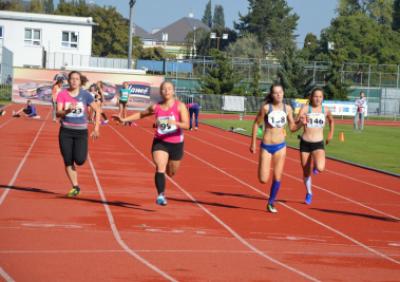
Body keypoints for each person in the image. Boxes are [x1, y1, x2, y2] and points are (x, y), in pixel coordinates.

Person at [112, 81, 189, 206]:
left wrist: (174, 123)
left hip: (176, 143)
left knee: (171, 172)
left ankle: (164, 184)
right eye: (164, 89)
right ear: (160, 92)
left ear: (173, 91)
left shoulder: (180, 106)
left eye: (169, 89)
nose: (166, 91)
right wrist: (124, 119)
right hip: (160, 142)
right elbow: (141, 114)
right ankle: (160, 195)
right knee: (160, 167)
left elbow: (187, 125)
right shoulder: (156, 107)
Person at [250, 83, 302, 213]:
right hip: (267, 146)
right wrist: (253, 143)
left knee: (278, 176)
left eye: (280, 92)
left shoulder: (288, 109)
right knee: (263, 179)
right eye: (275, 92)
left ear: (283, 93)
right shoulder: (266, 108)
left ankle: (271, 202)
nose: (278, 94)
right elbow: (256, 124)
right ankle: (261, 167)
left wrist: (301, 123)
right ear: (272, 95)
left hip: (280, 146)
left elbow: (292, 128)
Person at [56, 71, 101, 197]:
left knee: (80, 160)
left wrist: (96, 128)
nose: (74, 81)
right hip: (66, 131)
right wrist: (67, 110)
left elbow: (97, 109)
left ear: (80, 81)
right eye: (72, 79)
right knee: (67, 160)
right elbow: (58, 113)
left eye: (77, 79)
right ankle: (75, 186)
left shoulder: (85, 95)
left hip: (81, 132)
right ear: (68, 81)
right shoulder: (62, 94)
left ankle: (76, 176)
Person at [296, 88, 334, 205]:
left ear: (323, 98)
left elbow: (332, 121)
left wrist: (330, 134)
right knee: (306, 171)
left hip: (318, 143)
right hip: (305, 143)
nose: (318, 99)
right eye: (316, 96)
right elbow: (296, 123)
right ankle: (309, 192)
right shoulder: (306, 108)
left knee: (321, 168)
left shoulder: (326, 110)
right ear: (311, 97)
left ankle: (316, 166)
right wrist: (301, 120)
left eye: (320, 97)